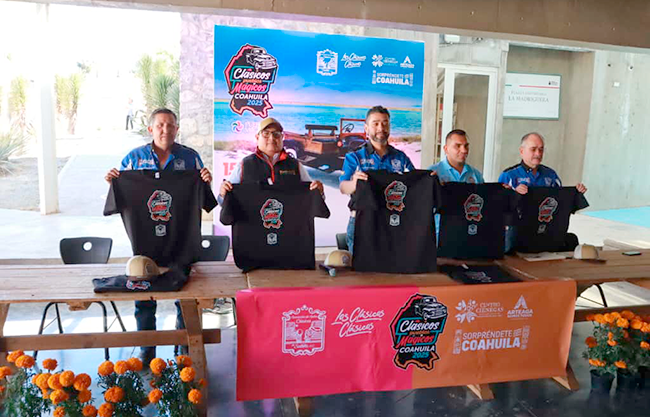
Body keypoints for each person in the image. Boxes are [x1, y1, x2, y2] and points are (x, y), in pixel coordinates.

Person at [105, 108, 212, 365]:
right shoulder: (133, 159)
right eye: (161, 125)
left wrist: (205, 182)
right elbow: (121, 196)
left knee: (184, 295)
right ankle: (146, 348)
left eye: (170, 125)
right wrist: (114, 183)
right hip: (145, 242)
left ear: (177, 129)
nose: (166, 130)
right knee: (143, 296)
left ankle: (183, 346)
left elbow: (205, 198)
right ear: (151, 129)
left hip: (180, 240)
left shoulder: (190, 158)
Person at [339, 105, 415, 253]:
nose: (381, 128)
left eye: (385, 123)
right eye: (376, 123)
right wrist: (354, 183)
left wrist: (429, 178)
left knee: (391, 264)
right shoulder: (354, 157)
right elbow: (343, 187)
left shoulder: (401, 157)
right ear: (366, 128)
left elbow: (415, 182)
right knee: (362, 266)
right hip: (362, 220)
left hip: (393, 221)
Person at [498, 132, 587, 251]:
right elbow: (499, 208)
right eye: (533, 149)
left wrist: (576, 193)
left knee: (571, 240)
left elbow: (561, 202)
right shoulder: (509, 175)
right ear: (521, 151)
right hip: (519, 231)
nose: (538, 153)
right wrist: (514, 193)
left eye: (541, 149)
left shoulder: (551, 175)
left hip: (546, 228)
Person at [218, 117, 324, 199]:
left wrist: (319, 192)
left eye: (276, 134)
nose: (272, 138)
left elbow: (312, 198)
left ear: (282, 138)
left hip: (288, 221)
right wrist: (223, 194)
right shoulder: (244, 165)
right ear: (257, 137)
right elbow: (224, 202)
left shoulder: (296, 166)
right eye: (266, 133)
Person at [428, 129, 484, 243]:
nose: (464, 150)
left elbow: (484, 203)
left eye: (466, 146)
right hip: (440, 236)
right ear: (446, 149)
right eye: (457, 146)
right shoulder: (433, 173)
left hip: (468, 235)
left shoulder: (476, 175)